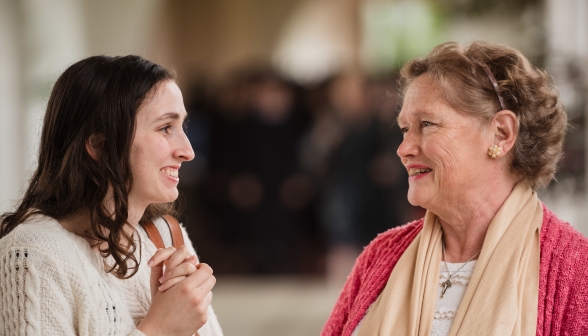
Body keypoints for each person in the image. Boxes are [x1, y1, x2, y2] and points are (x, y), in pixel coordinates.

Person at [322, 41, 588, 336]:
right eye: (405, 129)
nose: (404, 149)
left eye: (427, 123)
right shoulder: (380, 256)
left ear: (501, 133)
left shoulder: (576, 272)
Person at [0, 55, 223, 335]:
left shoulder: (165, 238)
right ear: (100, 145)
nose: (187, 151)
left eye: (183, 127)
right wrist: (159, 329)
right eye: (166, 127)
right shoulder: (34, 254)